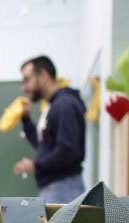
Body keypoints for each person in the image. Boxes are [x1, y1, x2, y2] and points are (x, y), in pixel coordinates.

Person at [12, 55, 87, 205]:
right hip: (57, 187)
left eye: (27, 80)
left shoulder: (64, 105)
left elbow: (67, 150)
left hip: (63, 188)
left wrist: (35, 166)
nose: (24, 87)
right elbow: (44, 146)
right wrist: (26, 120)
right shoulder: (52, 106)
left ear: (43, 75)